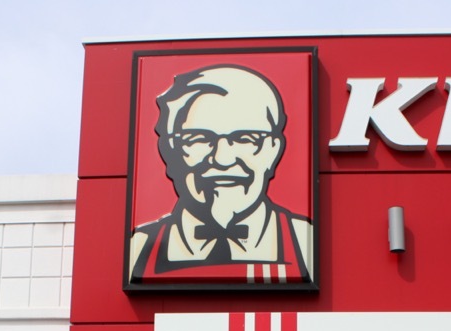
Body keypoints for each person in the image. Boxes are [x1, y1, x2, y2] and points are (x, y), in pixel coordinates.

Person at [128, 64, 313, 286]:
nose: (223, 159)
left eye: (246, 139)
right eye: (199, 139)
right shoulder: (137, 248)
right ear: (170, 149)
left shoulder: (306, 241)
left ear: (273, 149)